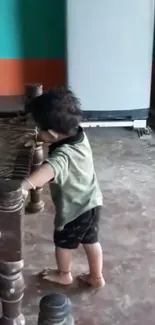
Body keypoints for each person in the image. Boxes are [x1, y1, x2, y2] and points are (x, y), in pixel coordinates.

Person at [22, 88, 105, 288]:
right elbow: (53, 140)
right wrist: (40, 138)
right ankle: (96, 277)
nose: (37, 133)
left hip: (74, 210)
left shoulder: (63, 156)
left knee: (63, 243)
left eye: (38, 129)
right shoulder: (77, 134)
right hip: (92, 202)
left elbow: (50, 168)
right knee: (91, 241)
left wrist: (25, 186)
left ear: (51, 133)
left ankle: (64, 274)